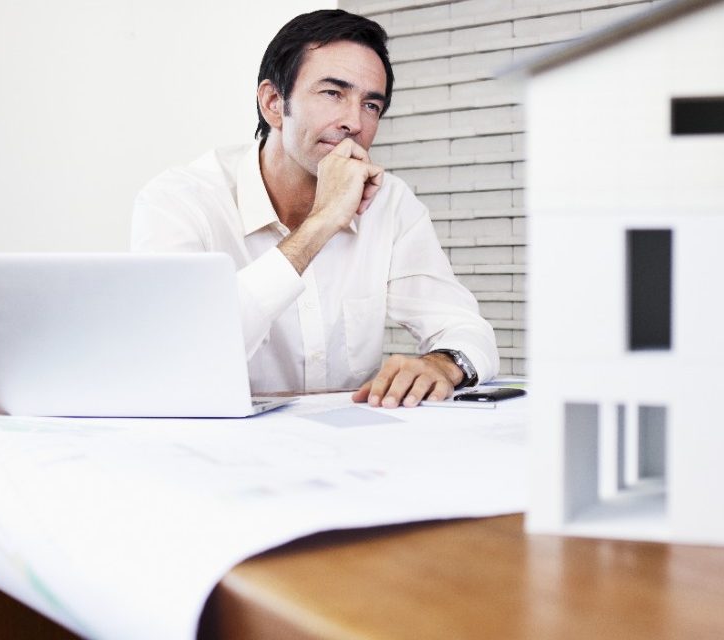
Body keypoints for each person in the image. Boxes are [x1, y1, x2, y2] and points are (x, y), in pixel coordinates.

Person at [132, 9, 497, 408]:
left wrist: (443, 364)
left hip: (345, 449)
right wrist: (322, 223)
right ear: (274, 103)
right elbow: (177, 348)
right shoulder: (181, 200)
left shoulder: (390, 202)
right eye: (332, 93)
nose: (354, 122)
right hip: (215, 448)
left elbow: (464, 328)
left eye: (371, 105)